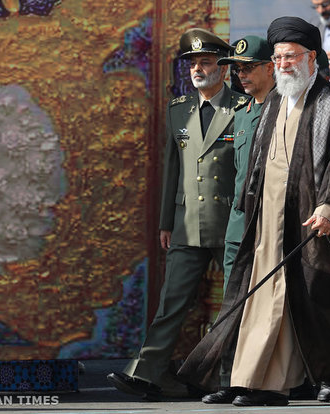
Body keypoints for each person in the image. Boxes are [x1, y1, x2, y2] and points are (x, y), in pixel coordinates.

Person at [179, 16, 330, 407]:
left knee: (321, 296)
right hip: (267, 218)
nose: (284, 64)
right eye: (278, 58)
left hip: (312, 218)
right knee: (258, 295)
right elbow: (258, 159)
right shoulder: (275, 100)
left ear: (311, 57)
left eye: (291, 56)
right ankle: (254, 381)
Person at [107, 28, 247, 401]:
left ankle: (230, 377)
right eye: (193, 63)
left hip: (231, 220)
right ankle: (147, 372)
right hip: (187, 223)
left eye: (205, 62)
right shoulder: (179, 109)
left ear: (223, 67)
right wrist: (166, 222)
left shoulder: (243, 107)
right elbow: (172, 169)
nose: (197, 69)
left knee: (236, 304)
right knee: (171, 304)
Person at [200, 35, 276, 405]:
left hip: (270, 225)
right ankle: (230, 378)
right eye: (238, 69)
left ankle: (262, 382)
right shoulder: (242, 113)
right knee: (233, 305)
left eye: (248, 68)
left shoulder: (283, 110)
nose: (241, 75)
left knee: (265, 306)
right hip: (238, 224)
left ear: (270, 67)